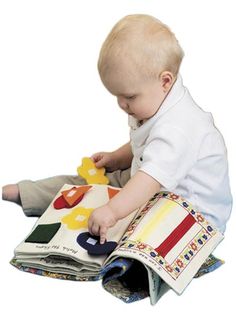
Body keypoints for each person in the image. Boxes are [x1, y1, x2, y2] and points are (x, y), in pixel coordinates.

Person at [2, 14, 232, 245]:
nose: (122, 104)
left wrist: (112, 211)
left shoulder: (179, 128)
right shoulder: (154, 101)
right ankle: (28, 193)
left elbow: (151, 180)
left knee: (131, 233)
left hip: (189, 215)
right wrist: (116, 157)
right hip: (149, 183)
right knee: (86, 184)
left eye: (129, 96)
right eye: (117, 96)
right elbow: (145, 145)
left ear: (165, 81)